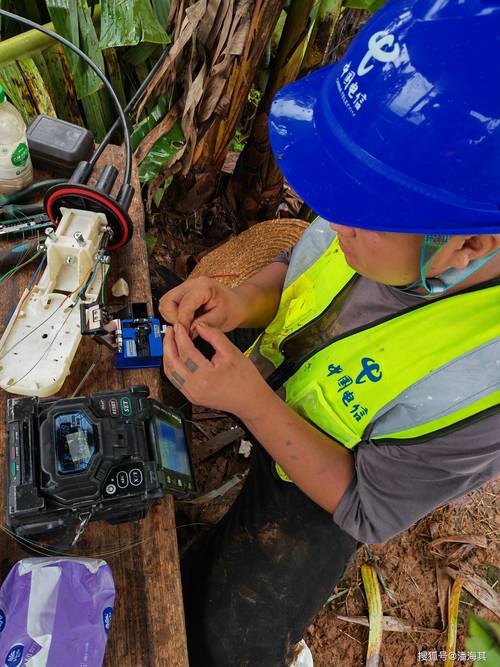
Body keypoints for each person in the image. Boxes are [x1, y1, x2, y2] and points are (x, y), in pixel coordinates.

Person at [159, 1, 500, 665]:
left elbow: (367, 506)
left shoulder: (482, 385)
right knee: (208, 563)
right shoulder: (378, 215)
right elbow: (297, 267)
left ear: (467, 246)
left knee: (235, 636)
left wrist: (249, 402)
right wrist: (238, 300)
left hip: (325, 502)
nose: (330, 220)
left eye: (357, 219)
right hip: (278, 426)